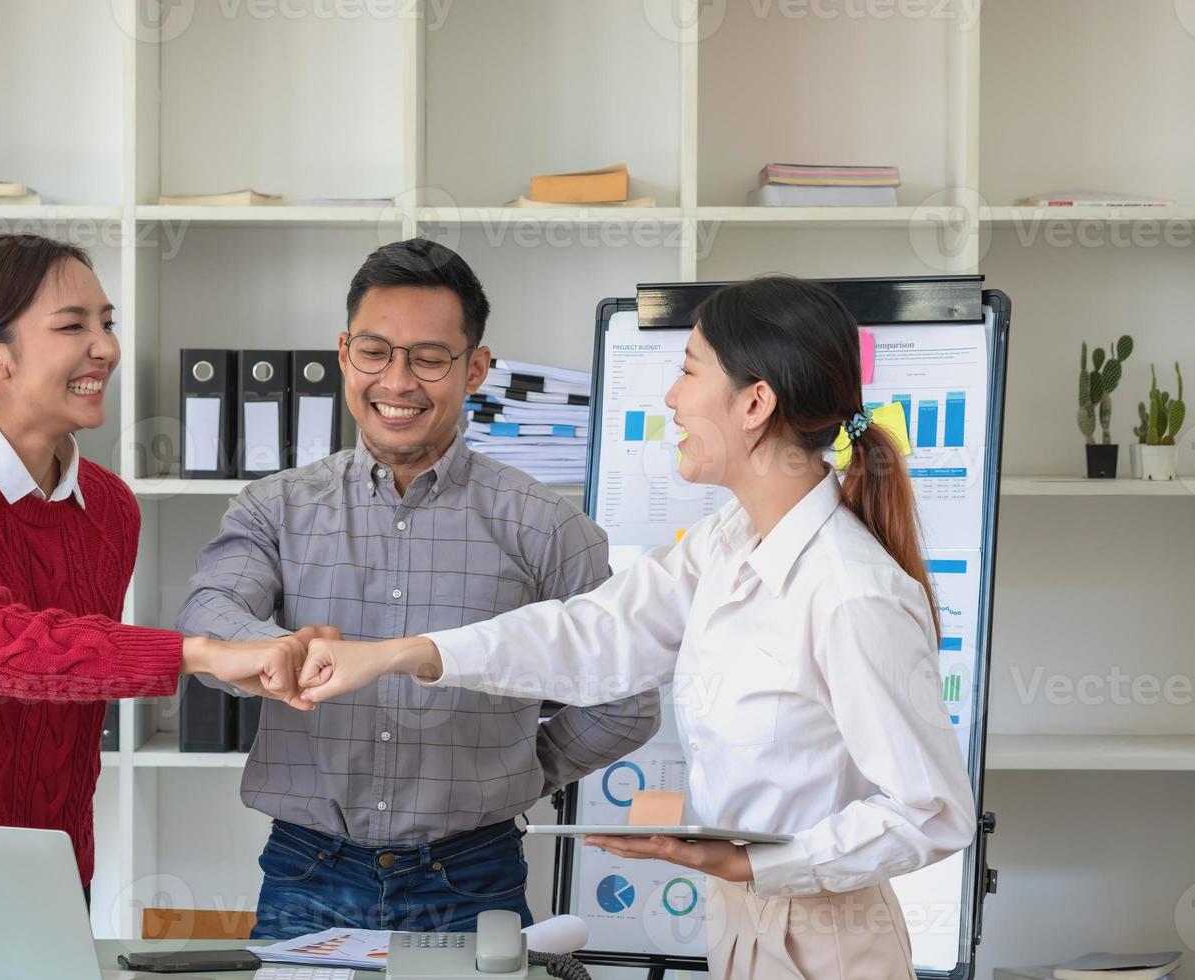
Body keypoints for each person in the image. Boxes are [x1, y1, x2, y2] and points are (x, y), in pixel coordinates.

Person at [296, 275, 978, 979]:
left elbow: (931, 813)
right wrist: (406, 653)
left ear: (755, 401)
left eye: (687, 371)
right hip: (743, 926)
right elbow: (592, 637)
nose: (671, 399)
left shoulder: (851, 593)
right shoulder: (728, 542)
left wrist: (759, 861)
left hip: (830, 942)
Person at [176, 238, 660, 938]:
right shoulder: (273, 507)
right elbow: (209, 615)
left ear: (476, 370)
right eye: (374, 352)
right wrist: (276, 650)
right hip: (305, 872)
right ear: (344, 354)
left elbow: (627, 696)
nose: (397, 381)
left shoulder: (548, 526)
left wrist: (523, 770)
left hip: (472, 876)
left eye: (429, 358)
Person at [0, 234, 312, 911]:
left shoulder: (110, 508)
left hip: (48, 862)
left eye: (106, 323)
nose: (104, 347)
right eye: (72, 325)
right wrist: (201, 654)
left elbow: (71, 676)